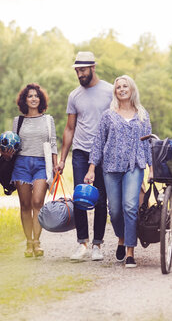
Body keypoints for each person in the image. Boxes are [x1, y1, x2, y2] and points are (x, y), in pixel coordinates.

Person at [85, 75, 152, 268]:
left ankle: (130, 251)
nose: (121, 89)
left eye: (125, 86)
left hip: (134, 165)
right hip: (111, 167)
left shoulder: (142, 114)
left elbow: (148, 142)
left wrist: (151, 168)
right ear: (115, 92)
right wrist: (91, 169)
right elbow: (98, 143)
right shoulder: (108, 115)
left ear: (132, 89)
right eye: (118, 87)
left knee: (130, 206)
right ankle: (121, 238)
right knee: (114, 211)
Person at [58, 51, 113, 261]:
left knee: (100, 198)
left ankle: (97, 244)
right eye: (77, 71)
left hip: (104, 152)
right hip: (81, 151)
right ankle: (82, 243)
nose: (80, 74)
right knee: (80, 196)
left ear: (93, 68)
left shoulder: (109, 91)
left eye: (83, 70)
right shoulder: (74, 95)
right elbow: (69, 128)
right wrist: (63, 158)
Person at [1, 83, 58, 257]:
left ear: (40, 100)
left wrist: (55, 167)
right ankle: (28, 242)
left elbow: (53, 143)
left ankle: (37, 242)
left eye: (36, 96)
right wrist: (7, 153)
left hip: (42, 164)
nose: (33, 99)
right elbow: (13, 143)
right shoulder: (18, 121)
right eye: (30, 96)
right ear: (24, 100)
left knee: (37, 202)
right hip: (21, 165)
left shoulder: (48, 120)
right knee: (25, 205)